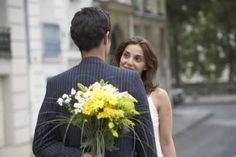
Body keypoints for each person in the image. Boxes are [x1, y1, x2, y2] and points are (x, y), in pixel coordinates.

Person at [32, 7, 157, 157]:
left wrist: (80, 155)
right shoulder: (130, 80)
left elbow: (41, 144)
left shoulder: (56, 84)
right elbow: (147, 148)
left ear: (75, 40)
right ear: (106, 37)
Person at [114, 36, 176, 157]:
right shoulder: (107, 92)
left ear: (146, 65)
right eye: (126, 55)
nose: (129, 62)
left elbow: (167, 142)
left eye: (137, 59)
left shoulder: (159, 96)